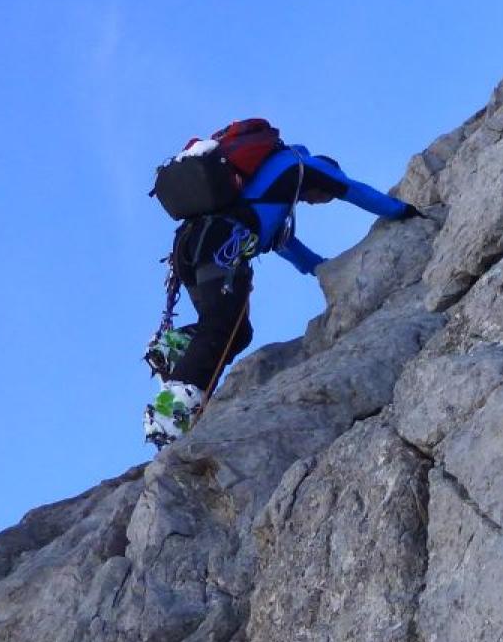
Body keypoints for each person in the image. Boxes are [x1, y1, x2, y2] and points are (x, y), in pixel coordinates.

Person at [144, 126, 420, 447]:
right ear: (323, 177)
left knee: (236, 331)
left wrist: (322, 268)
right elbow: (353, 189)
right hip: (222, 244)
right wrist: (404, 210)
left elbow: (287, 246)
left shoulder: (270, 187)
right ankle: (171, 414)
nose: (318, 202)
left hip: (190, 247)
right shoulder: (302, 166)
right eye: (324, 196)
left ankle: (173, 347)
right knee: (221, 326)